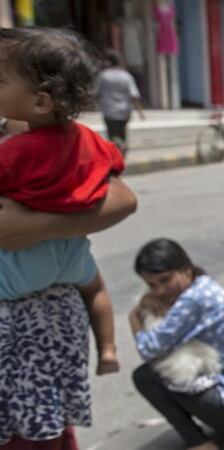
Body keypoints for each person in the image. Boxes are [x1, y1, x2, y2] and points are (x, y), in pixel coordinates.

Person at [0, 26, 124, 376]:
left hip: (20, 264)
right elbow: (114, 170)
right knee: (95, 287)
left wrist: (33, 223)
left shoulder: (16, 152)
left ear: (40, 101)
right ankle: (109, 349)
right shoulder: (85, 138)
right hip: (70, 252)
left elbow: (125, 199)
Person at [129, 238, 224, 450]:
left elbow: (148, 348)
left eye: (165, 280)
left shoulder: (193, 301)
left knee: (145, 376)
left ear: (185, 269)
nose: (159, 291)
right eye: (152, 285)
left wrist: (135, 316)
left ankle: (199, 443)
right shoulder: (203, 286)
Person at [96, 49, 145, 157]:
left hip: (109, 111)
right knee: (122, 133)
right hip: (124, 111)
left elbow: (97, 92)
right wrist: (140, 111)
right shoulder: (126, 76)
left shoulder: (104, 76)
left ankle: (118, 151)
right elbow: (134, 95)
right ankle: (121, 155)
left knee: (112, 135)